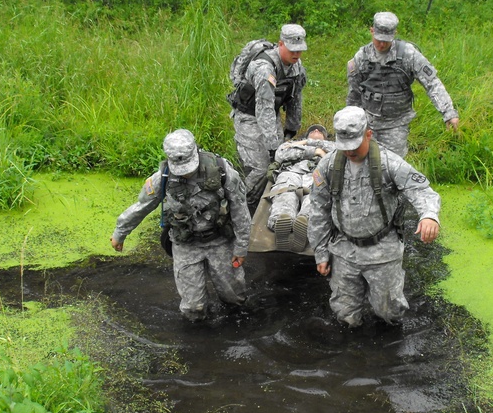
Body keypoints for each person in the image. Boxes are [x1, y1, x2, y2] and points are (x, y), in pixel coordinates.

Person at [307, 106, 442, 327]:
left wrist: (428, 216)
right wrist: (321, 253)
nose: (349, 152)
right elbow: (318, 209)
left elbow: (422, 191)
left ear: (368, 134)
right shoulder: (329, 165)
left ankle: (387, 355)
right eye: (344, 146)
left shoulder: (390, 163)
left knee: (389, 313)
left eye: (355, 145)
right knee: (344, 315)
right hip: (343, 250)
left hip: (382, 251)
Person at [110, 129, 251, 321]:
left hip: (219, 241)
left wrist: (241, 247)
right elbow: (142, 206)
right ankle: (199, 341)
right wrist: (120, 232)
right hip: (186, 245)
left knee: (234, 299)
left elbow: (240, 208)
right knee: (193, 309)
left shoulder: (222, 171)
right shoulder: (163, 178)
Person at [346, 11, 459, 157]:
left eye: (386, 40)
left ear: (395, 34)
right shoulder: (362, 57)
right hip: (367, 121)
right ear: (372, 31)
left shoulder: (408, 55)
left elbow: (432, 83)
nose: (381, 44)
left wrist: (448, 112)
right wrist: (351, 122)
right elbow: (354, 93)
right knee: (365, 164)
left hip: (396, 124)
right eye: (378, 39)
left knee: (394, 167)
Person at [231, 24, 308, 188]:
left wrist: (292, 127)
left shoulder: (297, 67)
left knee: (279, 163)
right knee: (259, 168)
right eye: (292, 50)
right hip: (248, 117)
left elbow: (295, 97)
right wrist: (272, 147)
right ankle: (245, 201)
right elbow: (263, 108)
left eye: (299, 50)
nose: (296, 54)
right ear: (281, 44)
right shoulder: (264, 69)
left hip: (271, 115)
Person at [267, 124, 334, 252]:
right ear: (305, 136)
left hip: (317, 175)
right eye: (312, 130)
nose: (316, 130)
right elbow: (280, 154)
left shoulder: (333, 146)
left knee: (314, 198)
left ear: (325, 138)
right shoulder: (294, 143)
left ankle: (305, 222)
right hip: (291, 172)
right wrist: (314, 151)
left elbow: (339, 154)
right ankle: (282, 221)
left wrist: (315, 144)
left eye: (320, 131)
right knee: (286, 194)